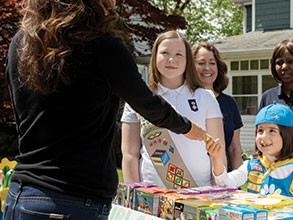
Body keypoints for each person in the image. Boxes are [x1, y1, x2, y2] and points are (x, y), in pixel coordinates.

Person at [3, 0, 208, 219]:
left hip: (21, 196)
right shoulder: (103, 47)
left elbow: (20, 114)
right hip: (74, 201)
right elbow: (147, 103)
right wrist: (186, 127)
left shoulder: (21, 43)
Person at [121, 31, 226, 188]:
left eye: (179, 54)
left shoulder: (206, 97)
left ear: (188, 61)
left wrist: (219, 188)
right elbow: (130, 154)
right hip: (152, 195)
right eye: (165, 53)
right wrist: (134, 192)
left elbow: (218, 150)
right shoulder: (139, 99)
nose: (171, 59)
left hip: (199, 193)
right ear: (155, 56)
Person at [207, 103, 293, 205]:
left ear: (287, 136)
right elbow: (224, 182)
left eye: (272, 131)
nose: (263, 137)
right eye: (260, 131)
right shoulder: (251, 167)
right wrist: (216, 157)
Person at [192, 42, 244, 172]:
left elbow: (234, 148)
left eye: (212, 63)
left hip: (220, 174)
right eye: (201, 63)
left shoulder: (229, 103)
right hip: (192, 176)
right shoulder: (185, 100)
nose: (207, 68)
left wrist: (239, 180)